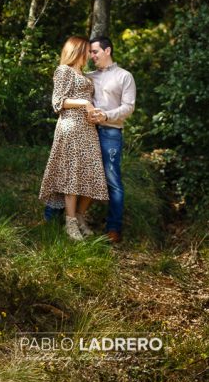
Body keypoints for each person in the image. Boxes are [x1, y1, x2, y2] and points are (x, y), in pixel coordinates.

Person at [38, 36, 109, 242]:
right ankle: (70, 223)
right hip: (70, 127)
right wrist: (84, 103)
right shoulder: (64, 71)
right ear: (77, 50)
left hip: (88, 129)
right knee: (73, 174)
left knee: (93, 174)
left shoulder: (85, 75)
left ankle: (79, 216)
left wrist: (96, 112)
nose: (90, 54)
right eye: (88, 50)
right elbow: (57, 102)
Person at [79, 36, 136, 244]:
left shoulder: (125, 76)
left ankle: (113, 229)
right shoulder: (88, 76)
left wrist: (106, 115)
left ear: (108, 50)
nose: (92, 56)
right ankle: (64, 218)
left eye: (95, 52)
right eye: (90, 53)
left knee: (112, 182)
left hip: (111, 133)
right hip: (87, 132)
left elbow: (129, 107)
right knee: (80, 175)